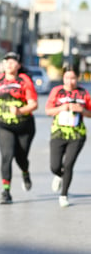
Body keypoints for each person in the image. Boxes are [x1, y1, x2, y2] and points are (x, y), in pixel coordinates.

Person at [0, 52, 38, 204]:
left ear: (18, 65)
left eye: (13, 61)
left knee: (21, 157)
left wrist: (20, 111)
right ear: (3, 65)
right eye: (6, 61)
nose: (9, 64)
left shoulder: (24, 80)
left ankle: (25, 172)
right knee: (6, 156)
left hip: (24, 125)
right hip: (4, 125)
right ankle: (6, 191)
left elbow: (34, 104)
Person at [45, 66, 91, 207]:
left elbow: (90, 112)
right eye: (66, 78)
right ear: (63, 78)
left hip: (77, 134)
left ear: (77, 78)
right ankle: (58, 175)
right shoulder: (57, 91)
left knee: (69, 164)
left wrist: (81, 110)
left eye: (72, 78)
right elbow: (48, 110)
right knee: (55, 166)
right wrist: (60, 108)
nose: (70, 81)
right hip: (58, 133)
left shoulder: (83, 93)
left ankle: (64, 194)